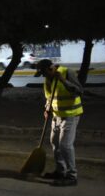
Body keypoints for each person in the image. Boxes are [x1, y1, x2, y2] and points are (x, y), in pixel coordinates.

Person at [33, 59, 83, 187]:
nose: (44, 76)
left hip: (70, 115)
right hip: (56, 116)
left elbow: (79, 91)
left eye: (44, 73)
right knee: (55, 143)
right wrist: (47, 108)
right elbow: (49, 96)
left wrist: (62, 80)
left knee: (65, 145)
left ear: (51, 68)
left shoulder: (67, 72)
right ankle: (61, 171)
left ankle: (72, 176)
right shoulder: (47, 79)